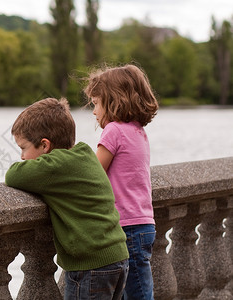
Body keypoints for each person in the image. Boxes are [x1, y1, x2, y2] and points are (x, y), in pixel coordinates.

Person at [5, 97, 129, 300]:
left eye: (23, 148)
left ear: (45, 145)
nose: (22, 156)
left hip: (92, 265)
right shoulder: (84, 154)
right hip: (117, 257)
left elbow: (14, 175)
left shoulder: (56, 166)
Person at [83, 64, 159, 300]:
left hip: (126, 227)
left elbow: (94, 174)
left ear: (114, 100)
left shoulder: (114, 131)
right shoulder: (138, 131)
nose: (94, 111)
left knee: (138, 295)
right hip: (144, 225)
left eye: (96, 103)